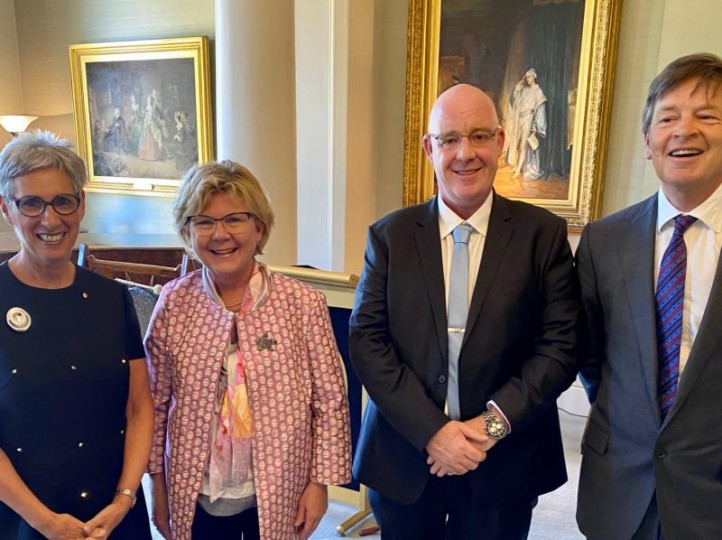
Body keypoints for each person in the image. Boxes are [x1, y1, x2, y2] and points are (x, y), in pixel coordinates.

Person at [349, 84, 578, 539]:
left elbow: (561, 347)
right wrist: (435, 432)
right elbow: (368, 342)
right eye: (449, 139)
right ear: (428, 148)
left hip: (504, 460)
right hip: (405, 457)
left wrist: (488, 428)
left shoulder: (543, 235)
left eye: (478, 136)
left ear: (500, 141)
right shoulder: (389, 237)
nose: (464, 153)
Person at [145, 160, 351, 540]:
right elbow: (155, 402)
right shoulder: (174, 302)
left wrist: (320, 483)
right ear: (187, 232)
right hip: (195, 489)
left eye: (235, 219)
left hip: (278, 489)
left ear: (259, 227)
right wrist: (156, 482)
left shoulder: (302, 303)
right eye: (203, 221)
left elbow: (330, 400)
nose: (219, 234)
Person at [576, 53, 722, 540]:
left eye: (706, 116)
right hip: (618, 486)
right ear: (647, 142)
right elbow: (592, 357)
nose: (684, 131)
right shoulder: (604, 240)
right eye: (668, 118)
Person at [0, 131, 153, 539]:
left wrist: (124, 499)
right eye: (31, 202)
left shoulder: (113, 298)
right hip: (23, 521)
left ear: (81, 205)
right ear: (6, 209)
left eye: (63, 201)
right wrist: (44, 521)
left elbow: (139, 407)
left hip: (115, 518)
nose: (50, 219)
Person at [505, 68, 547, 180]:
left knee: (523, 145)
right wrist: (521, 81)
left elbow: (540, 111)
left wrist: (535, 128)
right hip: (521, 119)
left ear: (534, 77)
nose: (527, 79)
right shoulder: (525, 90)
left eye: (529, 77)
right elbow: (515, 94)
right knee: (519, 144)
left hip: (529, 120)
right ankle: (517, 167)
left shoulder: (538, 91)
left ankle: (518, 170)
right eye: (526, 77)